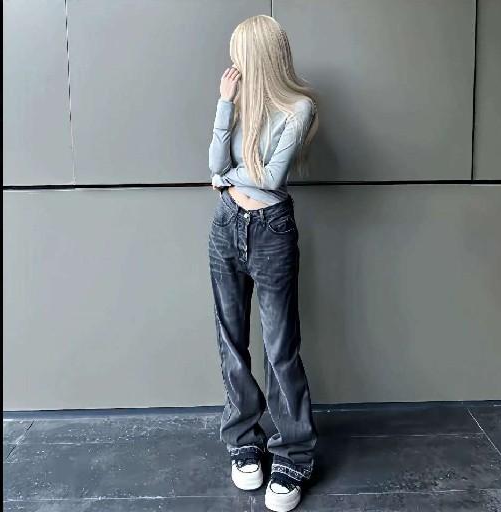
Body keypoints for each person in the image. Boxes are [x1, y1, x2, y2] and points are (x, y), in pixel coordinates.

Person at [207, 14, 319, 512]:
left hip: (271, 232)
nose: (234, 62)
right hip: (225, 226)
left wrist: (227, 176)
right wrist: (224, 105)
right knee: (231, 340)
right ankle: (243, 440)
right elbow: (214, 164)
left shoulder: (299, 107)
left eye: (241, 53)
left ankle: (293, 454)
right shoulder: (236, 101)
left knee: (280, 349)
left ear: (261, 55)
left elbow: (272, 179)